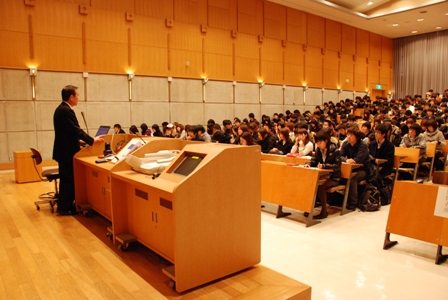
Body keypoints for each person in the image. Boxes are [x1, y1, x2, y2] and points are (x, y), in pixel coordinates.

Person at [53, 85, 104, 215]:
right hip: (66, 152)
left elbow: (67, 132)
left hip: (64, 149)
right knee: (68, 180)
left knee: (66, 179)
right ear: (71, 97)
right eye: (78, 95)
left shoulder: (61, 109)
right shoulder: (66, 110)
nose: (79, 97)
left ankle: (65, 204)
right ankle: (64, 207)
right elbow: (76, 130)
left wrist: (79, 141)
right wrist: (92, 141)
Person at [305, 131, 341, 219]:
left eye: (320, 142)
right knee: (309, 184)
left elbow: (337, 166)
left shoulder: (335, 150)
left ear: (326, 141)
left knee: (320, 187)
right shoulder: (318, 150)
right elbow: (314, 160)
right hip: (322, 176)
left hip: (334, 177)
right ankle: (307, 208)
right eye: (317, 142)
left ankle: (324, 211)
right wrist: (309, 164)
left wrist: (325, 166)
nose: (318, 144)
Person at [340, 128, 370, 210]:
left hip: (362, 170)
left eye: (351, 135)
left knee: (352, 177)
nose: (348, 137)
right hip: (349, 168)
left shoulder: (363, 145)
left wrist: (354, 160)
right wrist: (346, 160)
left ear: (357, 137)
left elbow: (359, 159)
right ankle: (339, 200)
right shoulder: (345, 144)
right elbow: (339, 156)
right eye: (347, 135)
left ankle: (353, 203)